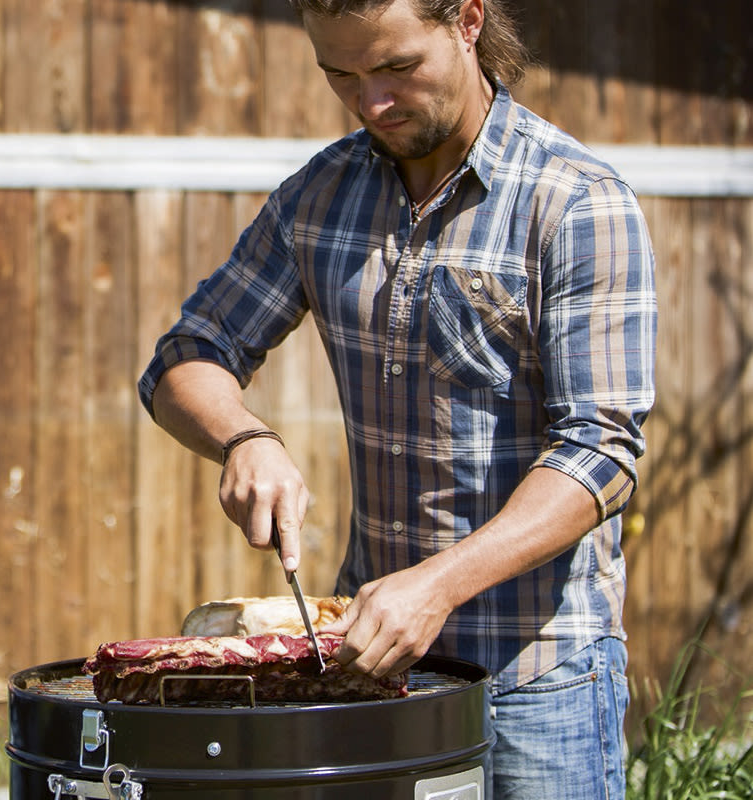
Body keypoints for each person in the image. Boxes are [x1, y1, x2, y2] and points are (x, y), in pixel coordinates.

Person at [137, 1, 655, 798]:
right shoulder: (320, 195)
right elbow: (186, 356)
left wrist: (439, 584)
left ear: (469, 21)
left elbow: (602, 452)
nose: (371, 102)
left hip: (539, 680)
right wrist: (244, 437)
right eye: (341, 75)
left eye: (396, 68)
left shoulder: (576, 202)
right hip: (371, 670)